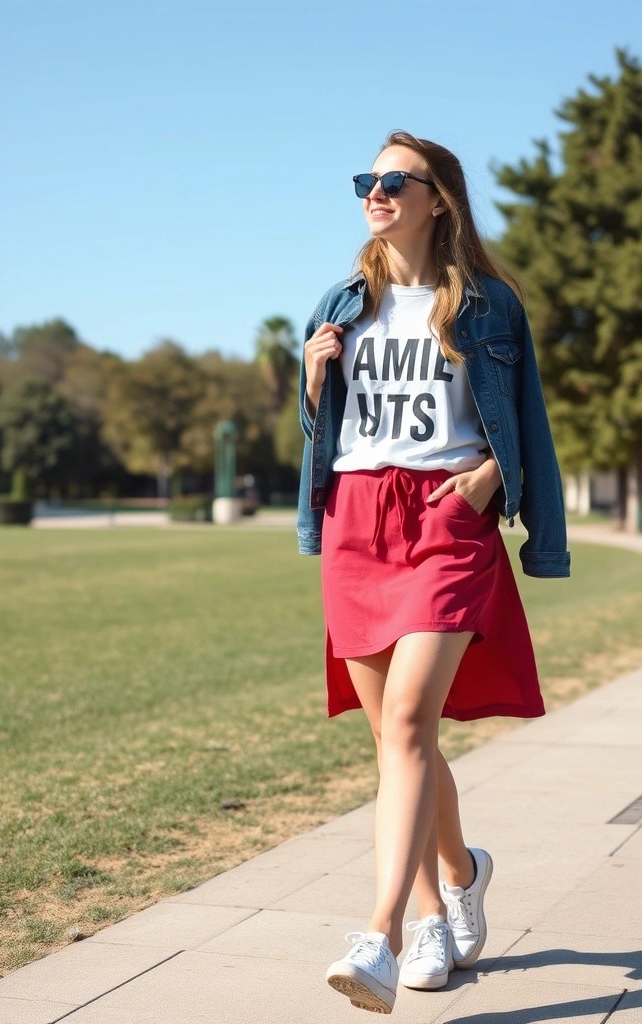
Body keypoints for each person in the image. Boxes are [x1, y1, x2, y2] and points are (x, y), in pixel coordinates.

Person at [297, 130, 570, 1015]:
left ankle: (378, 936)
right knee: (397, 740)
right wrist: (309, 387)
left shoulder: (487, 304)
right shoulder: (342, 302)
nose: (374, 193)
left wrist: (495, 480)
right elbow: (328, 436)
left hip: (446, 519)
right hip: (359, 522)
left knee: (411, 719)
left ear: (438, 198)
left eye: (392, 181)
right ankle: (449, 886)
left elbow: (523, 417)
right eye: (365, 181)